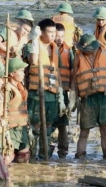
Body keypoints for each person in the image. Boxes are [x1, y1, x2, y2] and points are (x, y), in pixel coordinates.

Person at [70, 34, 106, 159]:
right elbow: (74, 79)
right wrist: (73, 97)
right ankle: (80, 157)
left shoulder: (105, 53)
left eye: (88, 50)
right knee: (84, 130)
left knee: (105, 130)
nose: (85, 52)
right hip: (87, 99)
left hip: (103, 97)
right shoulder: (78, 56)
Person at [24, 18, 64, 160]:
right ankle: (32, 156)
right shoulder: (32, 44)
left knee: (48, 125)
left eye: (55, 32)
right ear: (41, 32)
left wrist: (61, 96)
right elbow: (33, 60)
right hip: (36, 92)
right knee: (35, 125)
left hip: (51, 93)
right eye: (50, 32)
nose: (53, 35)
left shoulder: (54, 48)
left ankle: (44, 156)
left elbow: (57, 71)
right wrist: (34, 39)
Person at [50, 23, 75, 158]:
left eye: (61, 36)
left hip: (64, 92)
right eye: (56, 36)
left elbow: (72, 71)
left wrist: (72, 96)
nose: (59, 39)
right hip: (50, 91)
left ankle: (63, 153)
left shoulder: (68, 50)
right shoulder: (47, 48)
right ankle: (46, 151)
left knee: (62, 124)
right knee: (48, 123)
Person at [5, 57, 31, 163]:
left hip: (22, 126)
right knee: (8, 154)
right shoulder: (7, 89)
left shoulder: (21, 87)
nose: (24, 74)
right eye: (21, 71)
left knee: (24, 154)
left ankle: (20, 176)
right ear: (12, 73)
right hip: (11, 127)